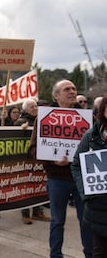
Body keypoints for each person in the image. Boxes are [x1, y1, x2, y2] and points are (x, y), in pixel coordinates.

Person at [29, 79, 93, 258]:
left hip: (82, 179)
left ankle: (91, 254)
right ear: (56, 96)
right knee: (57, 221)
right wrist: (53, 161)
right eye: (67, 89)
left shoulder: (88, 118)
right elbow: (33, 149)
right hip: (57, 179)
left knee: (87, 221)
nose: (72, 91)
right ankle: (55, 255)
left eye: (73, 88)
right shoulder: (43, 118)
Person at [71, 94, 107, 258]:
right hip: (98, 208)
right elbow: (77, 164)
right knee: (99, 252)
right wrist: (85, 193)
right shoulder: (91, 136)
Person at [14, 98, 50, 224]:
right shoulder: (20, 121)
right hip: (25, 160)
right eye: (31, 107)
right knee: (26, 186)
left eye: (35, 106)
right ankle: (25, 214)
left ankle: (38, 212)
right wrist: (20, 129)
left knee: (37, 185)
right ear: (25, 110)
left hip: (37, 159)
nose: (35, 109)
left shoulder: (43, 120)